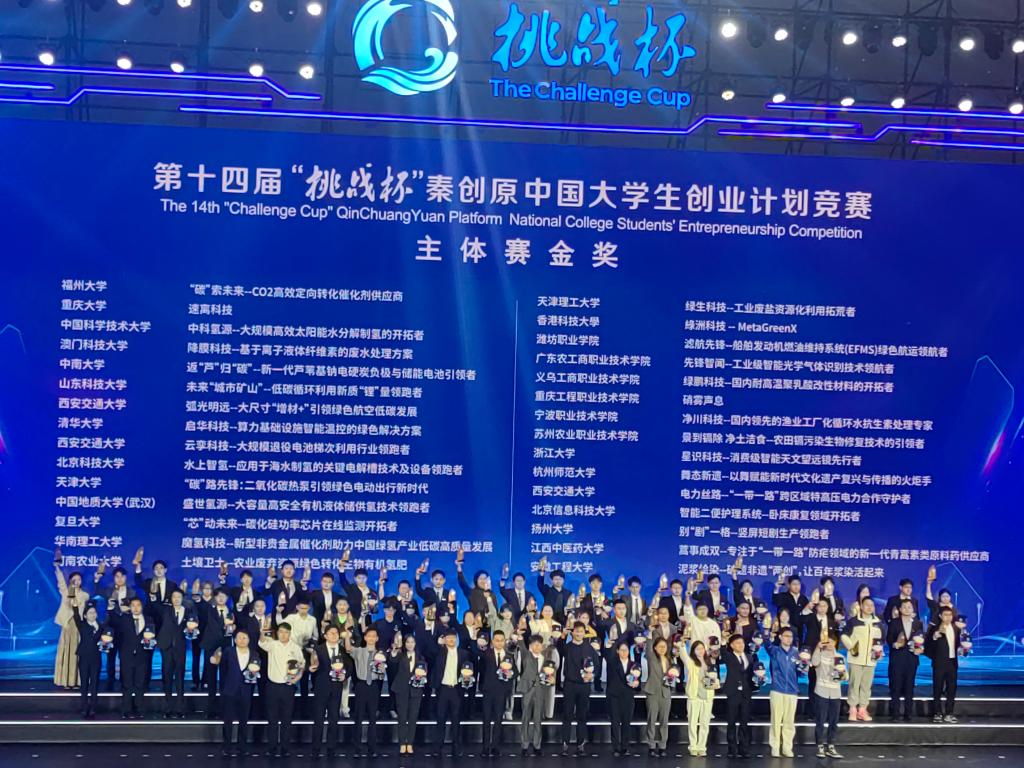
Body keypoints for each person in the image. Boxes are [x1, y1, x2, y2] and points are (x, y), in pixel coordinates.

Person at [258, 621, 305, 758]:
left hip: (288, 687)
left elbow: (302, 665)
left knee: (286, 719)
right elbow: (261, 642)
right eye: (281, 632)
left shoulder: (295, 647)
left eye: (286, 632)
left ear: (290, 634)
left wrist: (297, 678)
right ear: (277, 633)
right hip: (272, 686)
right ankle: (271, 747)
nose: (283, 635)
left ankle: (285, 747)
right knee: (272, 719)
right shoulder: (272, 644)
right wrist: (262, 631)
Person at [430, 628, 474, 758]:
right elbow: (430, 651)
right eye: (448, 637)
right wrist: (438, 644)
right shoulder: (439, 652)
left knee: (456, 720)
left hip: (456, 689)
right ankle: (438, 748)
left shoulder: (464, 654)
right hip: (443, 689)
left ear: (456, 639)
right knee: (440, 719)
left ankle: (456, 748)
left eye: (453, 637)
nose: (451, 640)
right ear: (444, 639)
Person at [309, 624, 351, 758]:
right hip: (321, 688)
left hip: (337, 688)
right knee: (319, 718)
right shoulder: (318, 649)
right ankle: (316, 748)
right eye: (331, 633)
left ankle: (331, 748)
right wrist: (311, 668)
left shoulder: (343, 650)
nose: (334, 635)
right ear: (325, 636)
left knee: (334, 718)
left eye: (336, 633)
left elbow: (350, 666)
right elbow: (313, 664)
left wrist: (345, 675)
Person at [559, 621, 601, 756]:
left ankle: (580, 745)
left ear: (584, 633)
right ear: (573, 632)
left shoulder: (590, 648)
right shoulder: (567, 647)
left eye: (581, 631)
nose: (578, 633)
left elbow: (597, 666)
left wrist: (592, 675)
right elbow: (558, 648)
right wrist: (562, 636)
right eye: (576, 631)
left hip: (584, 685)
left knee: (582, 716)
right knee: (567, 714)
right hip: (570, 685)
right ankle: (565, 745)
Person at [216, 629, 259, 758]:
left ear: (249, 640)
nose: (242, 640)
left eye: (244, 638)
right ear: (235, 640)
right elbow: (223, 669)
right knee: (228, 721)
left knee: (244, 721)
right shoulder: (228, 651)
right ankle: (227, 747)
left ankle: (242, 747)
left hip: (246, 691)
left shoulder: (254, 654)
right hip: (230, 690)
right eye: (239, 638)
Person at [841, 595, 883, 721]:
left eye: (872, 605)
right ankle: (852, 709)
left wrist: (878, 651)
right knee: (854, 684)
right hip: (855, 659)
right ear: (861, 606)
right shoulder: (853, 621)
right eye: (867, 605)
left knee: (866, 685)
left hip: (871, 660)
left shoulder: (878, 623)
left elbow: (882, 640)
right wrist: (851, 647)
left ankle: (863, 709)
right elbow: (843, 635)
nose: (869, 607)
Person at [347, 625, 387, 756]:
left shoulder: (380, 655)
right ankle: (357, 748)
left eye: (373, 636)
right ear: (365, 638)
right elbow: (348, 648)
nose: (371, 638)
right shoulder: (359, 651)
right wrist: (347, 635)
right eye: (369, 636)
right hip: (361, 685)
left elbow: (382, 673)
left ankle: (372, 748)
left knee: (372, 718)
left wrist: (381, 670)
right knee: (358, 717)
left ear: (377, 638)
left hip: (374, 686)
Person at [156, 588, 196, 718]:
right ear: (171, 599)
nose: (176, 599)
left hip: (180, 648)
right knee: (167, 678)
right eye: (174, 597)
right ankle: (167, 708)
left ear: (182, 598)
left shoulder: (188, 611)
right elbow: (154, 606)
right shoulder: (165, 610)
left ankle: (180, 709)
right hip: (166, 647)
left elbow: (193, 626)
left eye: (179, 597)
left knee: (180, 678)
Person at [114, 596, 153, 719]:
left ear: (142, 607)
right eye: (133, 606)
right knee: (127, 683)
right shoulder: (124, 619)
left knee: (140, 683)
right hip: (127, 656)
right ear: (130, 607)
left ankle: (139, 708)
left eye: (138, 605)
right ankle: (126, 709)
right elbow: (117, 635)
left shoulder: (149, 619)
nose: (136, 608)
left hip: (142, 656)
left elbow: (153, 635)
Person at [54, 558, 90, 688]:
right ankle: (65, 681)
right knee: (66, 652)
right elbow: (61, 582)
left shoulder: (85, 595)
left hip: (78, 626)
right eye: (74, 579)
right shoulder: (66, 592)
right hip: (67, 625)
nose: (77, 581)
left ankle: (76, 681)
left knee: (77, 653)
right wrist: (57, 568)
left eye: (79, 579)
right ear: (70, 581)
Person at [389, 632, 427, 755]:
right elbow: (392, 661)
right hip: (401, 689)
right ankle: (402, 743)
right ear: (404, 644)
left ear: (415, 644)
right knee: (402, 717)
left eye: (412, 642)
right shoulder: (400, 655)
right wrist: (393, 652)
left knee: (413, 718)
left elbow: (424, 671)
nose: (410, 644)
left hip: (416, 690)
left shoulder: (421, 657)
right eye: (408, 642)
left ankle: (410, 743)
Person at [886, 598, 924, 721]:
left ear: (913, 609)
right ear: (900, 609)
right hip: (897, 658)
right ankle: (895, 713)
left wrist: (921, 648)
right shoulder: (894, 622)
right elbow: (889, 638)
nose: (907, 609)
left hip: (911, 659)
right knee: (896, 687)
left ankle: (908, 713)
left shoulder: (918, 623)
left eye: (909, 607)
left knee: (909, 687)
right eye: (904, 607)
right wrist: (894, 644)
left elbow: (922, 639)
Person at [480, 629, 516, 756]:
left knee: (498, 720)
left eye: (501, 640)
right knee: (486, 719)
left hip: (502, 692)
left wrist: (510, 674)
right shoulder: (485, 654)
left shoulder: (509, 656)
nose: (499, 643)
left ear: (505, 641)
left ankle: (495, 746)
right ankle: (485, 747)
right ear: (492, 641)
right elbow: (481, 670)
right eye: (497, 640)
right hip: (488, 691)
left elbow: (516, 672)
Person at [719, 633, 755, 759]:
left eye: (742, 643)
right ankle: (732, 748)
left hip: (746, 692)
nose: (741, 645)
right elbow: (722, 651)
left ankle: (744, 748)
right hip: (733, 692)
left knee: (744, 721)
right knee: (731, 721)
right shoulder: (728, 656)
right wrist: (723, 641)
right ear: (732, 645)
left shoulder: (749, 657)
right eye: (738, 643)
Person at [810, 632, 845, 759]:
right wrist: (817, 648)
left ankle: (831, 746)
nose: (830, 644)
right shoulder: (820, 654)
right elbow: (814, 663)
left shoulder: (840, 657)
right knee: (820, 720)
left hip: (835, 693)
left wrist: (841, 674)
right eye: (827, 641)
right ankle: (820, 746)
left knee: (833, 721)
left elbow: (844, 676)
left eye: (832, 642)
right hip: (821, 691)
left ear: (835, 643)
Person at [767, 627, 800, 758]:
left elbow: (801, 671)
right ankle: (775, 747)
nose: (789, 639)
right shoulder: (774, 650)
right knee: (776, 720)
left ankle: (787, 747)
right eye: (786, 636)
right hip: (777, 690)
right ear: (780, 637)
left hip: (792, 691)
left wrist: (804, 666)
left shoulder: (796, 652)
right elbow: (766, 643)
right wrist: (767, 634)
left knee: (789, 722)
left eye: (790, 636)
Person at [925, 605, 962, 723]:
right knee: (937, 688)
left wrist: (962, 650)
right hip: (939, 663)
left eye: (950, 615)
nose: (948, 617)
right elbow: (927, 646)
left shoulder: (956, 628)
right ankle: (937, 713)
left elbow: (958, 645)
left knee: (952, 689)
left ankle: (949, 713)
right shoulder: (934, 629)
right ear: (941, 616)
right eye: (945, 615)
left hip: (952, 663)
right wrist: (934, 637)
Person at [681, 640, 716, 757]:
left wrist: (713, 683)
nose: (700, 651)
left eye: (702, 648)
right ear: (693, 651)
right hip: (694, 696)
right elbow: (683, 656)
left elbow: (714, 679)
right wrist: (682, 645)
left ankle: (702, 746)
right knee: (692, 722)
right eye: (697, 649)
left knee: (705, 723)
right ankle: (693, 746)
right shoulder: (691, 662)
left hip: (707, 696)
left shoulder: (710, 662)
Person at [604, 640, 639, 757]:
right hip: (614, 696)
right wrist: (608, 646)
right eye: (622, 650)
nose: (624, 652)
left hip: (628, 696)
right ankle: (615, 747)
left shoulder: (634, 665)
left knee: (626, 722)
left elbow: (638, 680)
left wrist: (636, 684)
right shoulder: (612, 662)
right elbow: (606, 654)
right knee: (615, 722)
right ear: (617, 651)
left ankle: (625, 747)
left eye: (626, 650)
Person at [71, 602, 104, 718]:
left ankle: (93, 707)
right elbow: (76, 617)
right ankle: (84, 707)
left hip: (96, 658)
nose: (92, 615)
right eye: (90, 613)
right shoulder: (82, 625)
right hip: (84, 657)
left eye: (94, 612)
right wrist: (75, 607)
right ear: (85, 615)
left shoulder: (101, 626)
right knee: (84, 683)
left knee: (94, 683)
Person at [644, 636, 675, 757]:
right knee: (651, 720)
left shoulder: (670, 660)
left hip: (665, 692)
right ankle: (651, 745)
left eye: (664, 646)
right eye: (660, 646)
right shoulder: (651, 658)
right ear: (655, 648)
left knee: (664, 721)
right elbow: (648, 649)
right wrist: (649, 636)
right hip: (652, 692)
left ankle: (662, 746)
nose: (662, 648)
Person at [535, 556, 570, 622]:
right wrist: (542, 572)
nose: (558, 581)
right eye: (556, 579)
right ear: (552, 580)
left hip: (563, 621)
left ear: (563, 580)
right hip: (548, 619)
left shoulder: (568, 593)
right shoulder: (547, 590)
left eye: (560, 579)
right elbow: (540, 584)